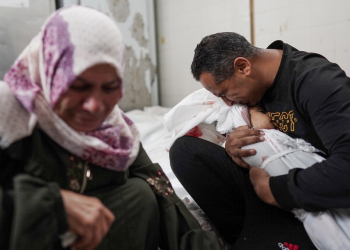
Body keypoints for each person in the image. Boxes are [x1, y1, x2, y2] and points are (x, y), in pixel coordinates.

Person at [0, 6, 221, 250]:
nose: (95, 106)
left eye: (109, 87)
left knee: (142, 193)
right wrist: (49, 205)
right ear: (50, 73)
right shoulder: (10, 114)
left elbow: (160, 191)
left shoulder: (114, 129)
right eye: (79, 86)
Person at [170, 32, 350, 249]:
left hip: (314, 195)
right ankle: (251, 235)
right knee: (185, 152)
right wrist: (232, 145)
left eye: (226, 93)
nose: (227, 103)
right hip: (269, 190)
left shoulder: (317, 82)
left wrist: (275, 190)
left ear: (243, 67)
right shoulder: (256, 86)